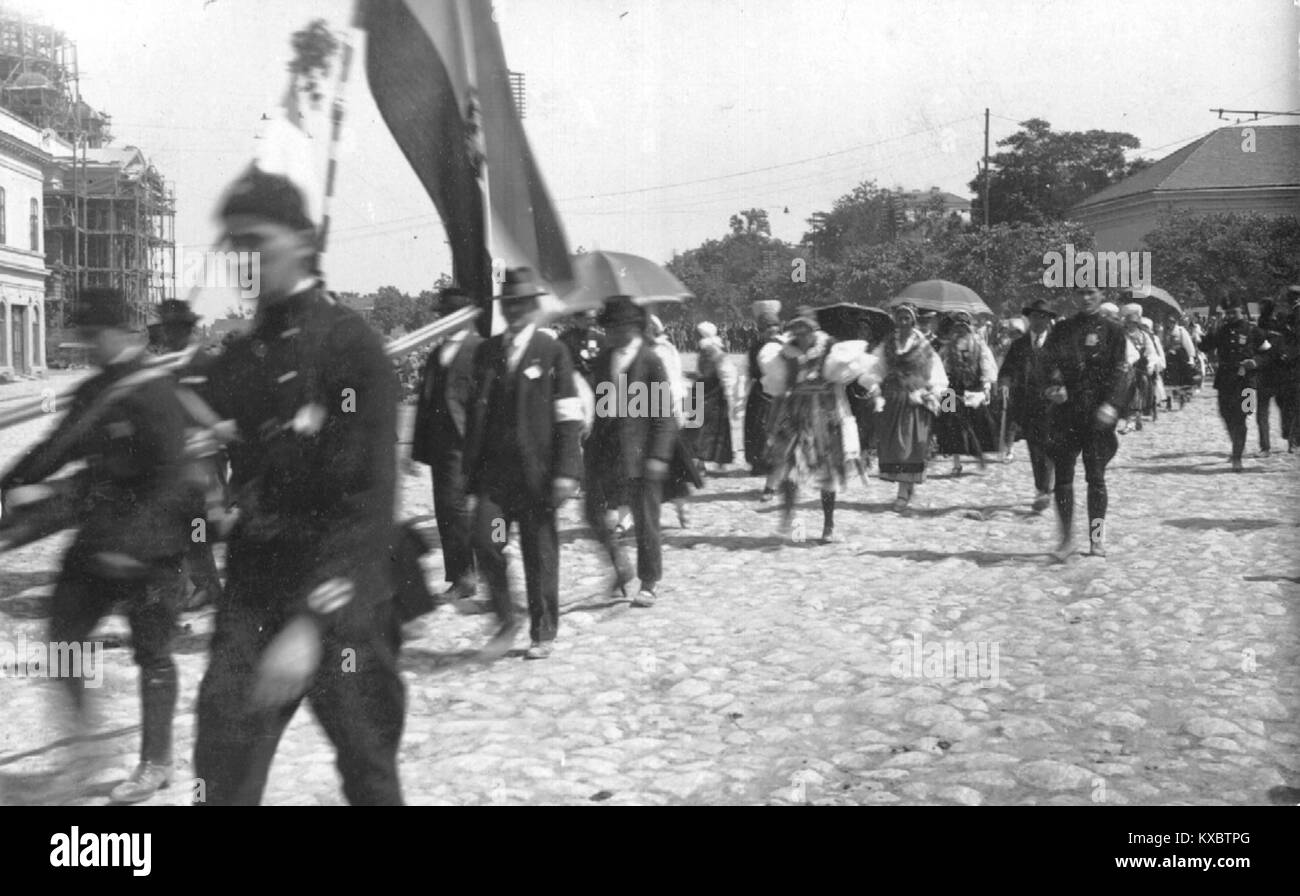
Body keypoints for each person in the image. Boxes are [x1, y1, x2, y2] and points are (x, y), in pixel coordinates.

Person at [193, 166, 405, 805]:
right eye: (232, 246)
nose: (242, 260)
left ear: (303, 241)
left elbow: (369, 504)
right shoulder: (241, 356)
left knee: (369, 774)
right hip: (254, 596)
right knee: (219, 773)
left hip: (342, 604)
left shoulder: (351, 347)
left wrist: (310, 624)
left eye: (256, 241)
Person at [0, 287, 194, 804]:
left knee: (152, 656)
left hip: (154, 544)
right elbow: (58, 446)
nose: (91, 347)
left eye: (96, 337)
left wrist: (133, 546)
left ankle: (155, 762)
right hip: (100, 535)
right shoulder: (97, 389)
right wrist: (10, 484)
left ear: (123, 333)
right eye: (86, 339)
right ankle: (88, 753)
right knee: (64, 637)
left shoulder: (154, 389)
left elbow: (173, 478)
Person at [463, 267, 583, 662]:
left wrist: (567, 472)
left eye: (522, 304)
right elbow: (475, 418)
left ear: (534, 307)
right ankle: (504, 618)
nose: (515, 311)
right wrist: (470, 481)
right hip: (496, 482)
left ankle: (542, 629)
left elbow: (568, 416)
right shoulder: (487, 351)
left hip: (538, 479)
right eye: (509, 304)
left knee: (539, 553)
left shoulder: (552, 353)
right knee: (488, 541)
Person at [583, 297, 676, 606]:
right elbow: (600, 407)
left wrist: (659, 456)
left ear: (630, 328)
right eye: (605, 326)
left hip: (641, 453)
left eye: (611, 327)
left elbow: (663, 414)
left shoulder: (650, 360)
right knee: (592, 513)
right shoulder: (603, 359)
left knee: (645, 519)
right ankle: (621, 568)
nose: (605, 332)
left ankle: (648, 581)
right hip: (606, 450)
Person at [1039, 286, 1131, 561]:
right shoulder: (1062, 329)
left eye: (1091, 293)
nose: (1086, 298)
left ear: (1102, 295)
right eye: (1080, 294)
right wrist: (1053, 387)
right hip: (1066, 413)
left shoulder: (1113, 331)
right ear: (1073, 297)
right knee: (1064, 480)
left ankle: (1096, 539)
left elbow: (1121, 371)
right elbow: (1045, 363)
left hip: (1097, 415)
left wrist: (1112, 405)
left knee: (1096, 479)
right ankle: (1066, 538)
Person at [760, 307, 864, 543]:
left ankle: (828, 525)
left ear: (813, 327)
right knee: (788, 466)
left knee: (828, 470)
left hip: (825, 414)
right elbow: (781, 388)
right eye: (796, 327)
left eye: (804, 327)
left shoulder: (829, 347)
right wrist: (775, 420)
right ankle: (786, 518)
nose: (800, 332)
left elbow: (841, 378)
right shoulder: (785, 353)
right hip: (796, 413)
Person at [410, 286, 482, 602]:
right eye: (444, 316)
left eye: (452, 315)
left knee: (457, 507)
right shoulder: (437, 355)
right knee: (445, 509)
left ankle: (468, 575)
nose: (447, 321)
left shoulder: (480, 350)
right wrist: (416, 450)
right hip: (441, 445)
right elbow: (424, 403)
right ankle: (458, 576)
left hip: (468, 442)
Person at [861, 304, 947, 513]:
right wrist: (874, 387)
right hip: (893, 399)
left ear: (913, 321)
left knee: (911, 445)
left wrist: (933, 392)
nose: (903, 322)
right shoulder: (888, 343)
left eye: (907, 318)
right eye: (900, 318)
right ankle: (905, 487)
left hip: (914, 399)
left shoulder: (923, 346)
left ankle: (903, 491)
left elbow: (935, 372)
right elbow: (876, 367)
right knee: (896, 446)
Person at [998, 298, 1057, 512]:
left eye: (1042, 317)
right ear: (1029, 319)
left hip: (1053, 405)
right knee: (1035, 449)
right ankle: (1042, 489)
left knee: (1049, 446)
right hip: (1027, 405)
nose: (1038, 321)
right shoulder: (1019, 345)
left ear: (1049, 320)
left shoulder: (1057, 344)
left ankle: (1045, 488)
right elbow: (1006, 370)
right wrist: (1004, 385)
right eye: (1033, 317)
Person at [1201, 295, 1270, 472]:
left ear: (1242, 311)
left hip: (1248, 382)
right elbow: (1204, 347)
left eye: (1234, 312)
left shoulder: (1254, 331)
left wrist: (1255, 362)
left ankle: (1237, 457)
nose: (1230, 316)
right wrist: (1212, 329)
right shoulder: (1222, 330)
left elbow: (1269, 354)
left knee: (1242, 416)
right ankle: (1238, 446)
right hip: (1225, 381)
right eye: (1227, 313)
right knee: (1226, 415)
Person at [647, 313, 702, 527]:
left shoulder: (663, 350)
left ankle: (682, 507)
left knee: (672, 465)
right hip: (642, 412)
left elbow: (671, 383)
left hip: (663, 412)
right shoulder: (641, 350)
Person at [934, 310, 998, 475]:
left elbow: (986, 365)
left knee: (975, 423)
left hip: (973, 388)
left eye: (964, 327)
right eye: (958, 327)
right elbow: (942, 367)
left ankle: (978, 453)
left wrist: (986, 387)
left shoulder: (978, 345)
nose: (961, 330)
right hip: (951, 389)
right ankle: (956, 462)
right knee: (950, 424)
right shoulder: (948, 346)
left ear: (970, 328)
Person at [685, 324, 736, 470]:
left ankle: (704, 462)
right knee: (699, 426)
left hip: (711, 393)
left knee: (703, 428)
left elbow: (726, 374)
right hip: (702, 390)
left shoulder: (715, 352)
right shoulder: (705, 351)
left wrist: (728, 393)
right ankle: (703, 462)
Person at [744, 311, 783, 480]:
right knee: (757, 428)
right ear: (761, 329)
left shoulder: (783, 346)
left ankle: (775, 462)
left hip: (778, 392)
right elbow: (749, 370)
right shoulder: (755, 347)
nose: (772, 329)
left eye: (775, 325)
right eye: (768, 327)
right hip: (759, 392)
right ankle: (758, 462)